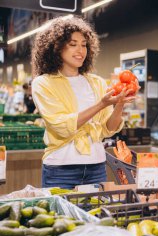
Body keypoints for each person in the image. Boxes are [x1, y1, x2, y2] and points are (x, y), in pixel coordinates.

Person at [31, 16, 137, 189]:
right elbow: (61, 126)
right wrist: (101, 104)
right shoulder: (43, 83)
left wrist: (120, 103)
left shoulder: (96, 82)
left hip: (97, 168)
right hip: (60, 169)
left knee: (95, 216)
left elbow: (108, 128)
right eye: (73, 44)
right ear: (56, 47)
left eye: (83, 44)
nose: (80, 50)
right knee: (62, 216)